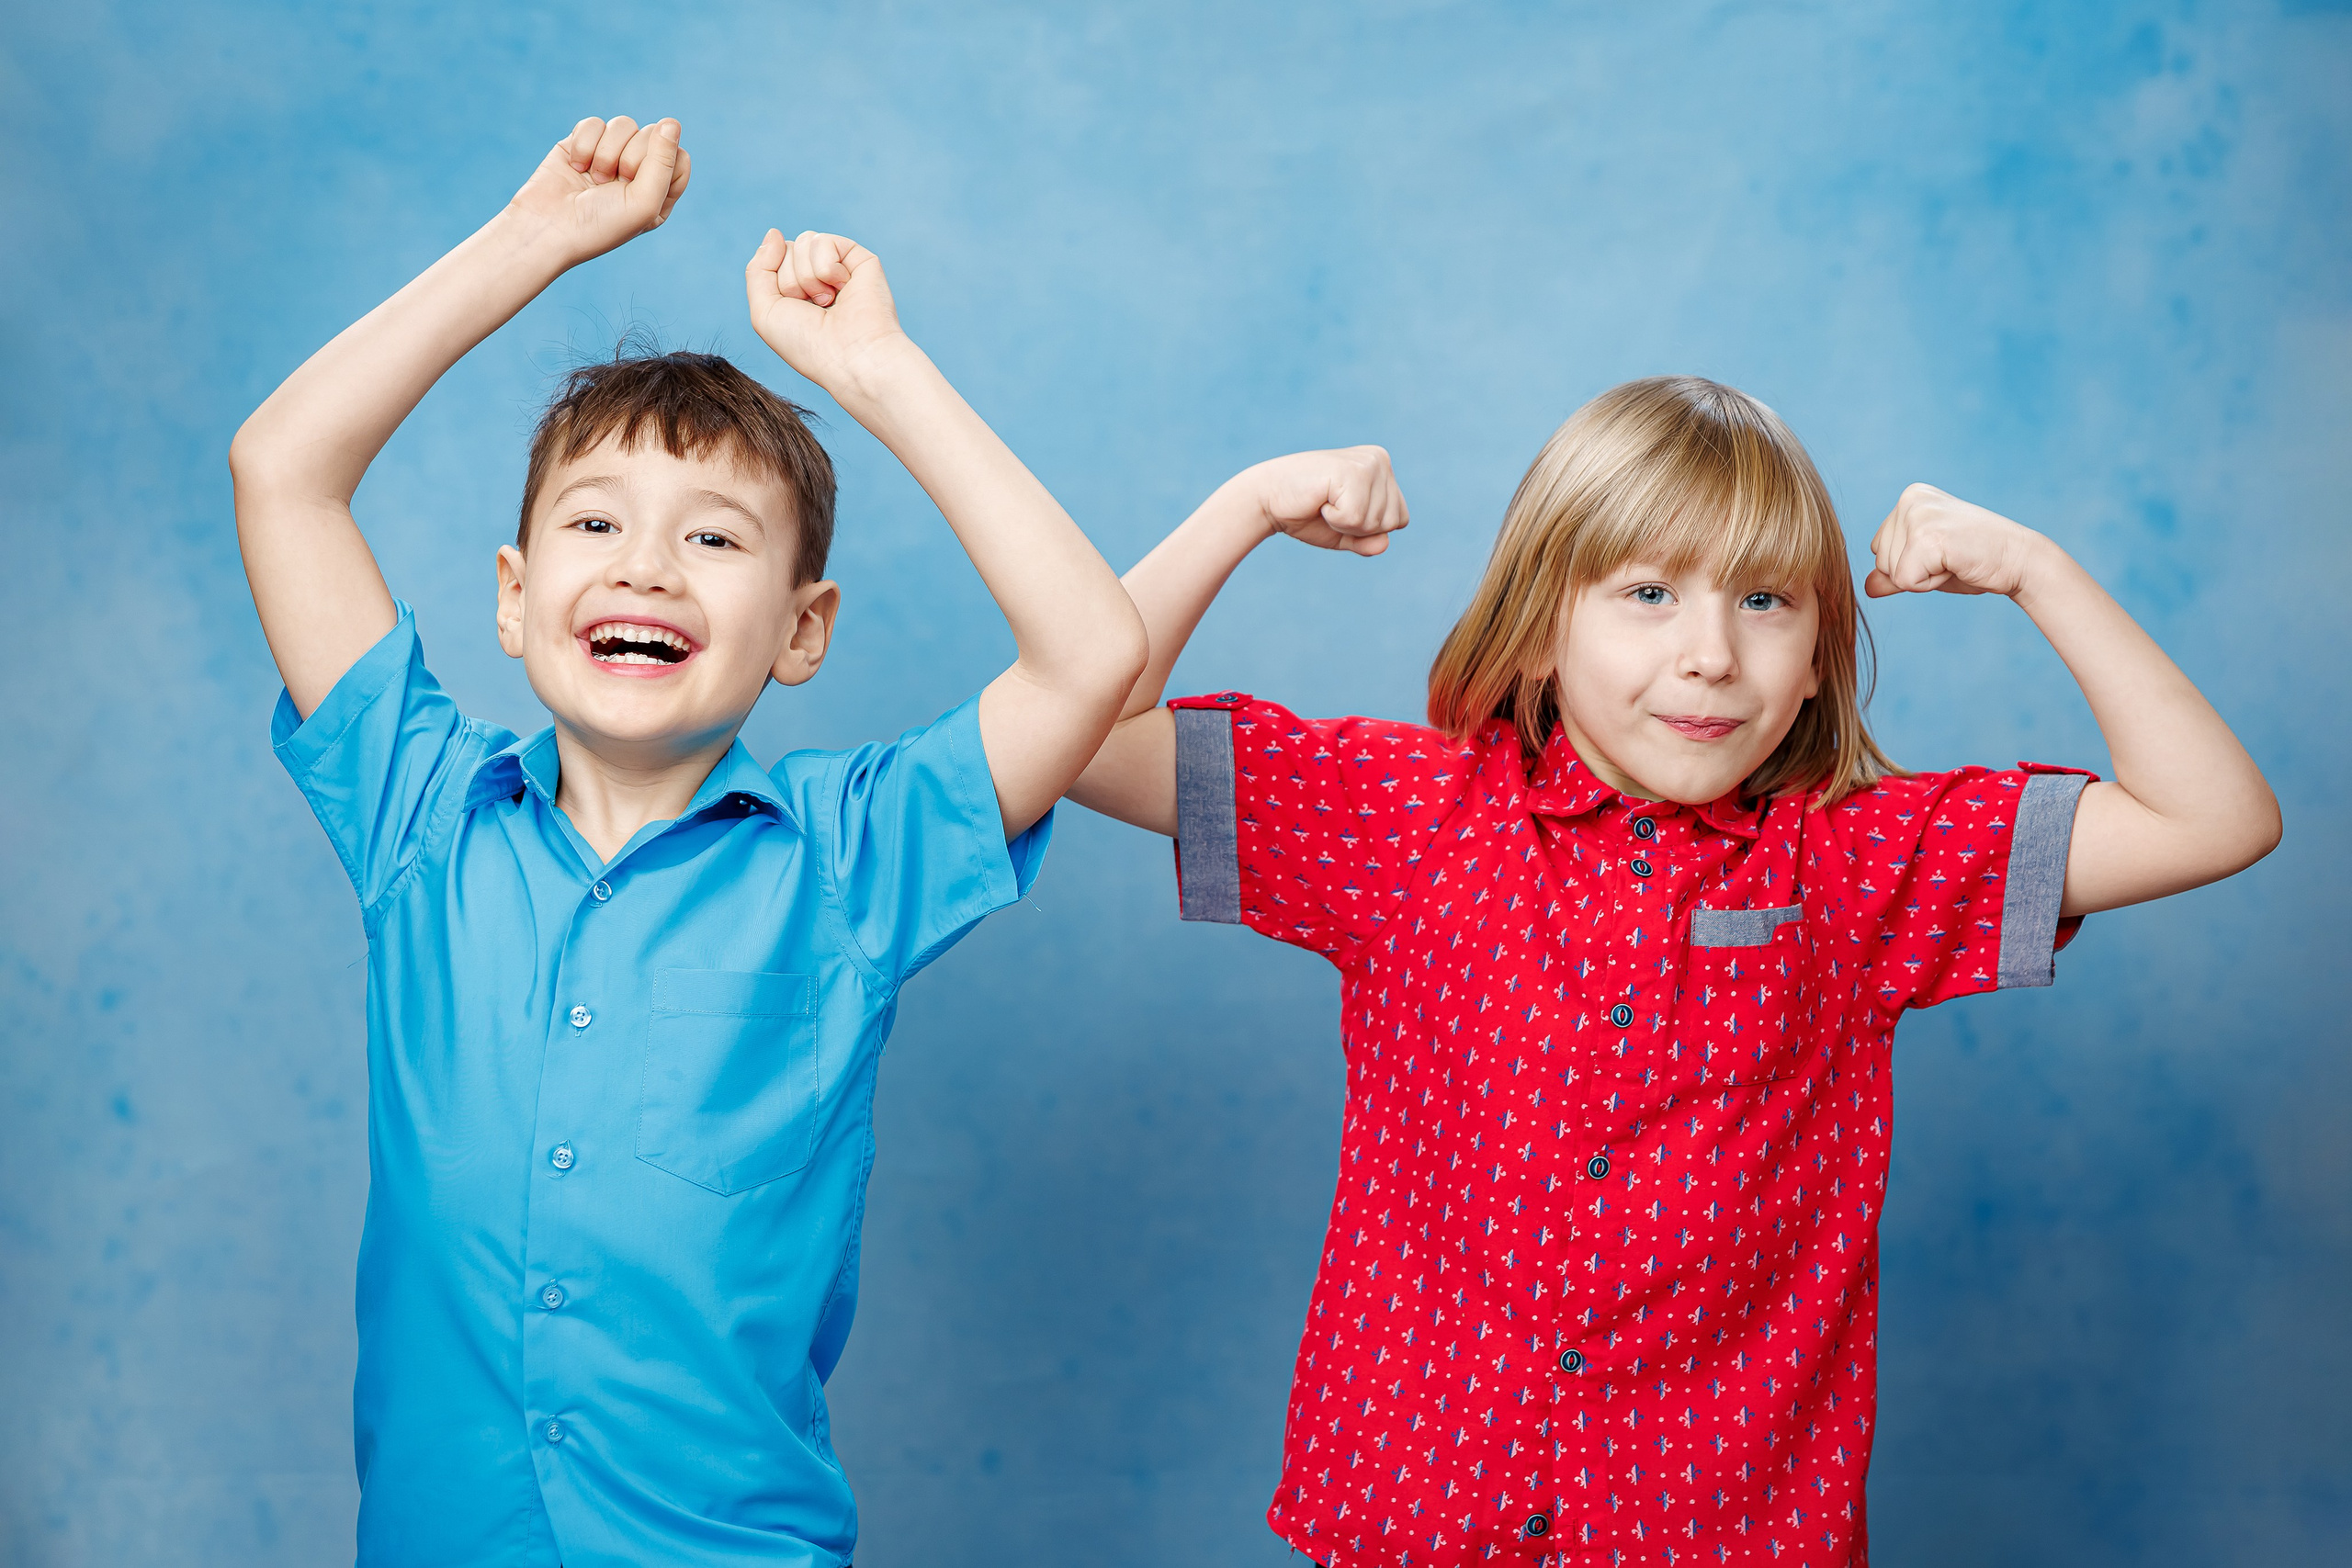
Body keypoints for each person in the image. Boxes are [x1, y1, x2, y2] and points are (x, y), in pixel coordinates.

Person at [1069, 379, 2279, 1566]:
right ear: (1542, 629)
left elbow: (2213, 818)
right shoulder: (1402, 819)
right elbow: (1074, 736)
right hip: (1413, 1516)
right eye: (1649, 592)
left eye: (1764, 601)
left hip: (1724, 1533)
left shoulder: (1860, 867)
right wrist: (1243, 508)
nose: (1710, 654)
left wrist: (2034, 570)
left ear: (1819, 659)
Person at [229, 115, 1144, 1566]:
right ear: (517, 600)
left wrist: (876, 374)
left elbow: (1092, 652)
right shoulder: (420, 816)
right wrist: (539, 238)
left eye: (715, 538)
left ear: (803, 631)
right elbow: (282, 466)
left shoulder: (854, 856)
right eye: (597, 524)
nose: (647, 563)